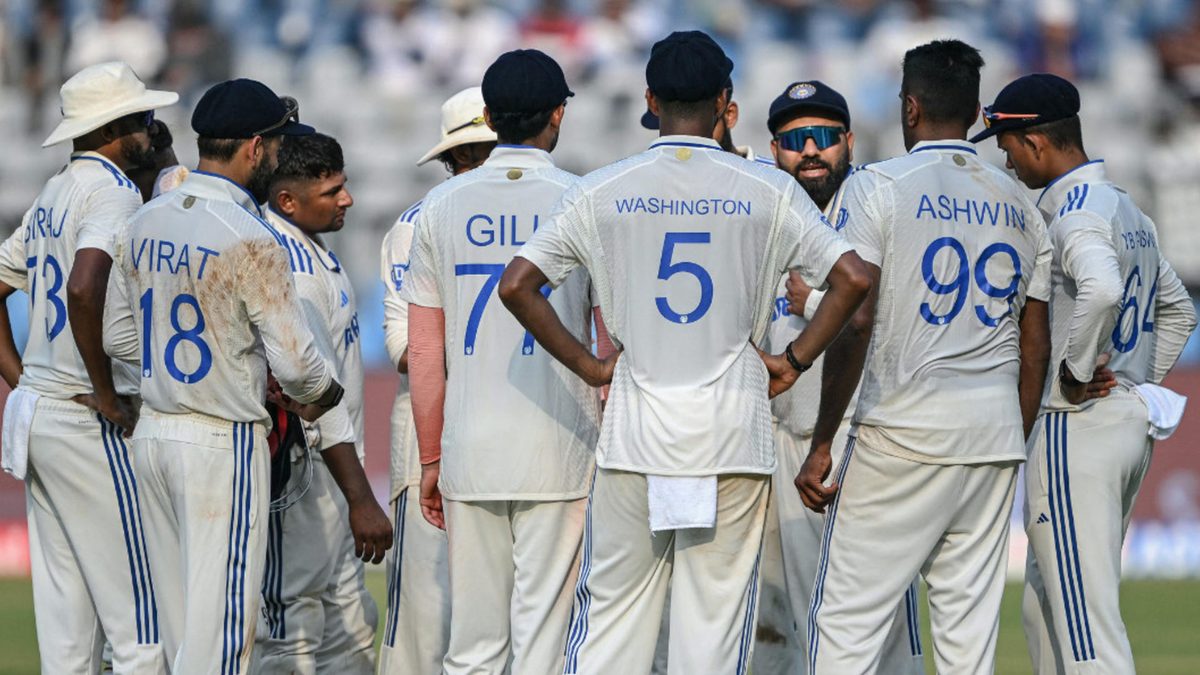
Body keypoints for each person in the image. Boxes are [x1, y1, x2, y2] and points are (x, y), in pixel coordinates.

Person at [500, 30, 869, 674]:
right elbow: (855, 279)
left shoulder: (603, 187)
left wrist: (590, 365)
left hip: (637, 434)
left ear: (650, 98)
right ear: (725, 100)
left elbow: (517, 286)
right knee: (715, 631)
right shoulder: (766, 188)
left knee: (610, 627)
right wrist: (797, 360)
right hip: (732, 432)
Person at [798, 40, 1052, 674]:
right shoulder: (1022, 203)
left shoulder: (878, 186)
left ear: (909, 107)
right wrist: (1008, 436)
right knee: (968, 644)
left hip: (902, 430)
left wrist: (824, 438)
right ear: (972, 111)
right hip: (992, 435)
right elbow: (1034, 343)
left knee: (845, 629)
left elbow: (857, 320)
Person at [101, 78, 344, 675]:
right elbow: (299, 368)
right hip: (221, 441)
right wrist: (324, 393)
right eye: (277, 146)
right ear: (255, 148)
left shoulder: (147, 218)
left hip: (154, 434)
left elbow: (117, 338)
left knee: (183, 628)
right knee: (226, 633)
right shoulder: (253, 237)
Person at [974, 73, 1197, 674]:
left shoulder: (1072, 215)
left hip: (1077, 426)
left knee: (1084, 628)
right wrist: (1131, 380)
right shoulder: (1126, 207)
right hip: (1117, 423)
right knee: (1048, 609)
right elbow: (1179, 310)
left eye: (1008, 147)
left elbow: (1099, 289)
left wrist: (1076, 374)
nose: (1007, 161)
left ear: (1038, 145)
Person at [401, 50, 604, 675]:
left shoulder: (439, 206)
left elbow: (426, 352)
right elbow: (610, 337)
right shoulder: (584, 199)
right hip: (560, 444)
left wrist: (431, 458)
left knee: (474, 647)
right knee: (544, 640)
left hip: (471, 445)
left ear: (488, 117)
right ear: (559, 115)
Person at [0, 60, 176, 674]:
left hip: (40, 414)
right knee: (140, 624)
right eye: (145, 119)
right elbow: (83, 286)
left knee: (68, 633)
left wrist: (23, 379)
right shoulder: (112, 192)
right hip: (85, 418)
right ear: (117, 126)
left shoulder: (53, 191)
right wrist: (104, 391)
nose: (153, 129)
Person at [764, 79, 924, 674]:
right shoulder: (765, 212)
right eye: (794, 139)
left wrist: (812, 305)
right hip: (787, 444)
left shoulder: (876, 208)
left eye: (825, 138)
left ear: (850, 142)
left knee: (875, 630)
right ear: (774, 147)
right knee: (795, 625)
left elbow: (895, 328)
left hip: (862, 441)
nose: (811, 150)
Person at [253, 132, 394, 673]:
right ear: (288, 200)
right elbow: (316, 392)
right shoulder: (292, 271)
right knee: (290, 626)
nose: (347, 200)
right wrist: (360, 498)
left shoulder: (312, 247)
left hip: (331, 473)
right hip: (304, 475)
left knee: (350, 626)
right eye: (332, 191)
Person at [377, 84, 497, 675]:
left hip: (510, 432)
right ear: (454, 162)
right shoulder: (415, 226)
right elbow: (404, 347)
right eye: (477, 153)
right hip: (434, 430)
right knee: (425, 621)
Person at [640, 78, 773, 166]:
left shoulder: (777, 180)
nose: (686, 138)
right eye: (672, 132)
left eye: (697, 124)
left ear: (730, 115)